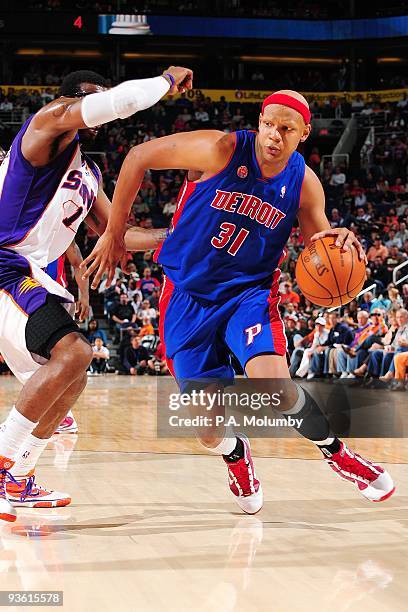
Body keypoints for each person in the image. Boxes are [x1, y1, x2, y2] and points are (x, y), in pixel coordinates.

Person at [84, 89, 394, 513]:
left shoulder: (303, 183)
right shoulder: (220, 149)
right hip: (187, 297)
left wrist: (339, 245)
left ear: (304, 133)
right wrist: (114, 233)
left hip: (248, 293)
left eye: (286, 129)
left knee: (275, 386)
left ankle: (338, 455)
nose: (273, 136)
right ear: (259, 122)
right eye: (268, 124)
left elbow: (318, 243)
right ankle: (235, 453)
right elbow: (138, 155)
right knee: (208, 430)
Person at [0, 65, 193, 520]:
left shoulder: (87, 172)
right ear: (72, 100)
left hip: (30, 274)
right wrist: (165, 81)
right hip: (7, 262)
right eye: (93, 97)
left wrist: (179, 234)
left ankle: (20, 477)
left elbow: (118, 235)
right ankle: (5, 455)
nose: (100, 104)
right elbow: (119, 102)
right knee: (75, 353)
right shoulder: (46, 123)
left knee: (73, 375)